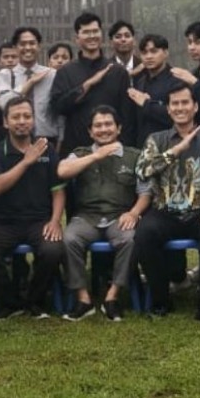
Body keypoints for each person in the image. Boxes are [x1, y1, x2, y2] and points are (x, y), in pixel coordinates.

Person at [132, 85, 200, 319]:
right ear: (168, 109)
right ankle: (160, 301)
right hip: (164, 211)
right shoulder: (156, 140)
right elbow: (142, 170)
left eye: (185, 102)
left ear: (195, 107)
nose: (180, 108)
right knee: (144, 233)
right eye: (174, 103)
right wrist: (174, 151)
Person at [0, 98, 66, 320]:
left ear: (33, 120)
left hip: (39, 221)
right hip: (4, 222)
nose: (22, 121)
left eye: (27, 116)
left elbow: (58, 190)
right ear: (6, 122)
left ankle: (35, 301)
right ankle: (10, 302)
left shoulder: (47, 149)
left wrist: (55, 221)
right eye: (16, 117)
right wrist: (26, 161)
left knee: (53, 250)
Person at [58, 106, 142, 321]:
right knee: (69, 239)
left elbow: (146, 191)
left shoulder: (134, 156)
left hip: (120, 216)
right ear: (90, 131)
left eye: (108, 124)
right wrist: (96, 156)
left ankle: (112, 297)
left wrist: (133, 213)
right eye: (98, 125)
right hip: (87, 217)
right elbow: (62, 171)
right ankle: (83, 299)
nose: (103, 129)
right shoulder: (80, 153)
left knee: (130, 239)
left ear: (118, 128)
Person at [49, 12, 133, 155]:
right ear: (77, 38)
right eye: (86, 32)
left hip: (112, 151)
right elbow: (57, 107)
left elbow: (127, 116)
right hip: (76, 151)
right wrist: (85, 86)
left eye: (95, 31)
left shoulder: (118, 72)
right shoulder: (65, 72)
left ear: (101, 34)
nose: (92, 36)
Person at [0, 27, 61, 142]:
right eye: (22, 44)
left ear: (39, 46)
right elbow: (4, 104)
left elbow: (60, 112)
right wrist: (29, 83)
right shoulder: (6, 74)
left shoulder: (52, 75)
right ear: (15, 48)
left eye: (32, 43)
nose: (27, 48)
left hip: (47, 139)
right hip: (15, 139)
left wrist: (60, 140)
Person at [129, 33, 181, 141]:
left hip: (168, 144)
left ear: (166, 53)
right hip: (142, 146)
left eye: (154, 51)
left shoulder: (176, 81)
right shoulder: (140, 81)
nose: (148, 56)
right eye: (144, 53)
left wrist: (147, 104)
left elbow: (177, 114)